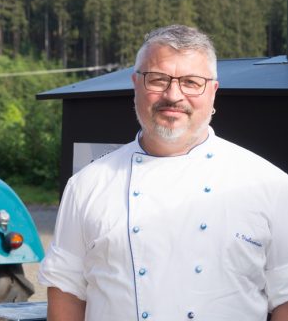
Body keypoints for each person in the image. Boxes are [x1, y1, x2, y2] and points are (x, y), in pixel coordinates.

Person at [38, 25, 288, 321]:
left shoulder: (270, 185)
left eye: (191, 82)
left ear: (213, 91)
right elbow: (66, 291)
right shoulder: (87, 184)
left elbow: (284, 298)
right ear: (136, 85)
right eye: (158, 80)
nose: (173, 95)